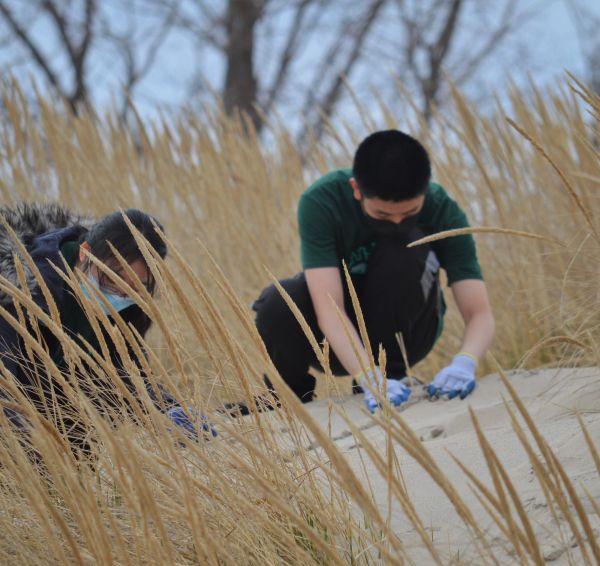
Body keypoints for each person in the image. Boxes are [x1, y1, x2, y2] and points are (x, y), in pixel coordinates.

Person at [252, 130, 495, 413]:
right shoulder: (321, 201)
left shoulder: (443, 208)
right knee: (279, 300)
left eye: (410, 212)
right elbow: (329, 307)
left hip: (412, 328)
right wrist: (366, 374)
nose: (396, 221)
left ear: (425, 191)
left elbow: (479, 312)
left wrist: (466, 362)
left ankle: (389, 376)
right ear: (356, 189)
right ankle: (286, 398)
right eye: (382, 214)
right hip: (335, 333)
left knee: (404, 244)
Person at [0, 202, 214, 457]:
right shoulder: (25, 290)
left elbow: (122, 372)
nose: (120, 293)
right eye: (113, 277)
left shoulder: (132, 303)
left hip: (60, 425)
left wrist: (164, 409)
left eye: (136, 285)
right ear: (85, 252)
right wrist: (30, 455)